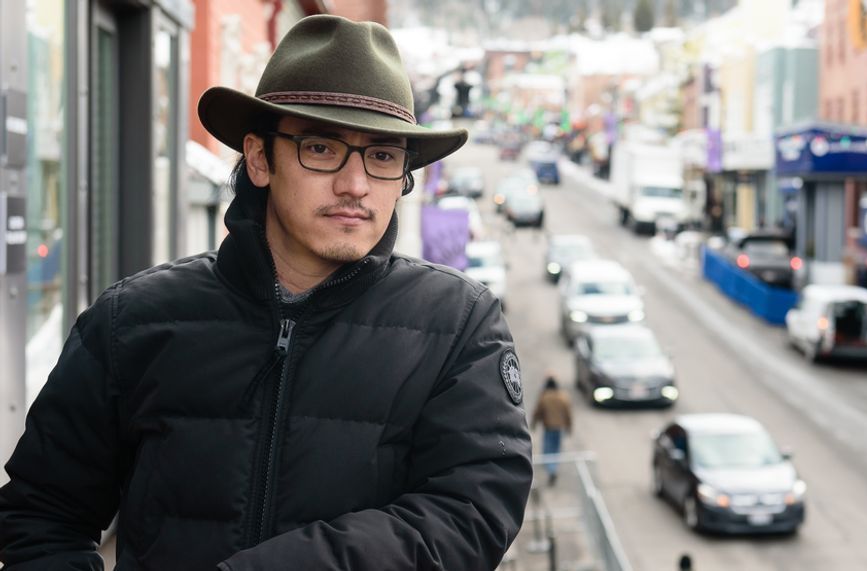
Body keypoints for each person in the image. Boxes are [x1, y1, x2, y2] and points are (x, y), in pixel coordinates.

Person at [0, 15, 532, 570]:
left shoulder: (459, 326)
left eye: (381, 155)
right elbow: (42, 515)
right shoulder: (132, 320)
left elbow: (469, 514)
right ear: (259, 159)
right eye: (322, 148)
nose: (355, 185)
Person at [530, 375, 572, 486]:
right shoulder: (563, 397)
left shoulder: (544, 397)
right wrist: (569, 427)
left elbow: (538, 412)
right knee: (556, 450)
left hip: (548, 428)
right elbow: (568, 414)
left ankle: (551, 470)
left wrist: (534, 424)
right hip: (559, 429)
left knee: (548, 451)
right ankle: (553, 469)